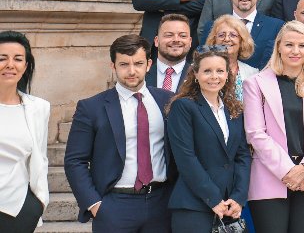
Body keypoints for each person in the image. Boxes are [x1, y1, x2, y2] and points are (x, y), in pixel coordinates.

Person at [64, 34, 174, 231]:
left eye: (138, 64)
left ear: (149, 64)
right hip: (114, 206)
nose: (131, 71)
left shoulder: (168, 101)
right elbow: (75, 160)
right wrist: (94, 204)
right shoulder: (91, 107)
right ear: (113, 66)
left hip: (161, 203)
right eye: (124, 64)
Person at [243, 21, 304, 233]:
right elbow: (255, 134)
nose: (295, 51)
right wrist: (289, 171)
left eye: (302, 45)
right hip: (268, 178)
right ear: (279, 47)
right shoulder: (255, 83)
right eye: (289, 44)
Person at [165, 48, 251, 232]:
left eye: (220, 71)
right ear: (195, 74)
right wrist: (213, 198)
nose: (214, 76)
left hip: (229, 207)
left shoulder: (234, 109)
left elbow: (242, 155)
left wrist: (238, 197)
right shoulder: (183, 106)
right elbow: (186, 158)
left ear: (227, 74)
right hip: (194, 205)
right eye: (207, 71)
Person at [0, 32, 48, 232]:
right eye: (2, 58)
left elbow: (40, 158)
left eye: (18, 59)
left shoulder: (39, 108)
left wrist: (39, 203)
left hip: (19, 210)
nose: (10, 65)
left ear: (26, 66)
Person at [205, 15, 262, 97]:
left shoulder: (253, 73)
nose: (227, 39)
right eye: (221, 35)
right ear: (214, 41)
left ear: (242, 41)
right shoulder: (201, 69)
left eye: (233, 35)